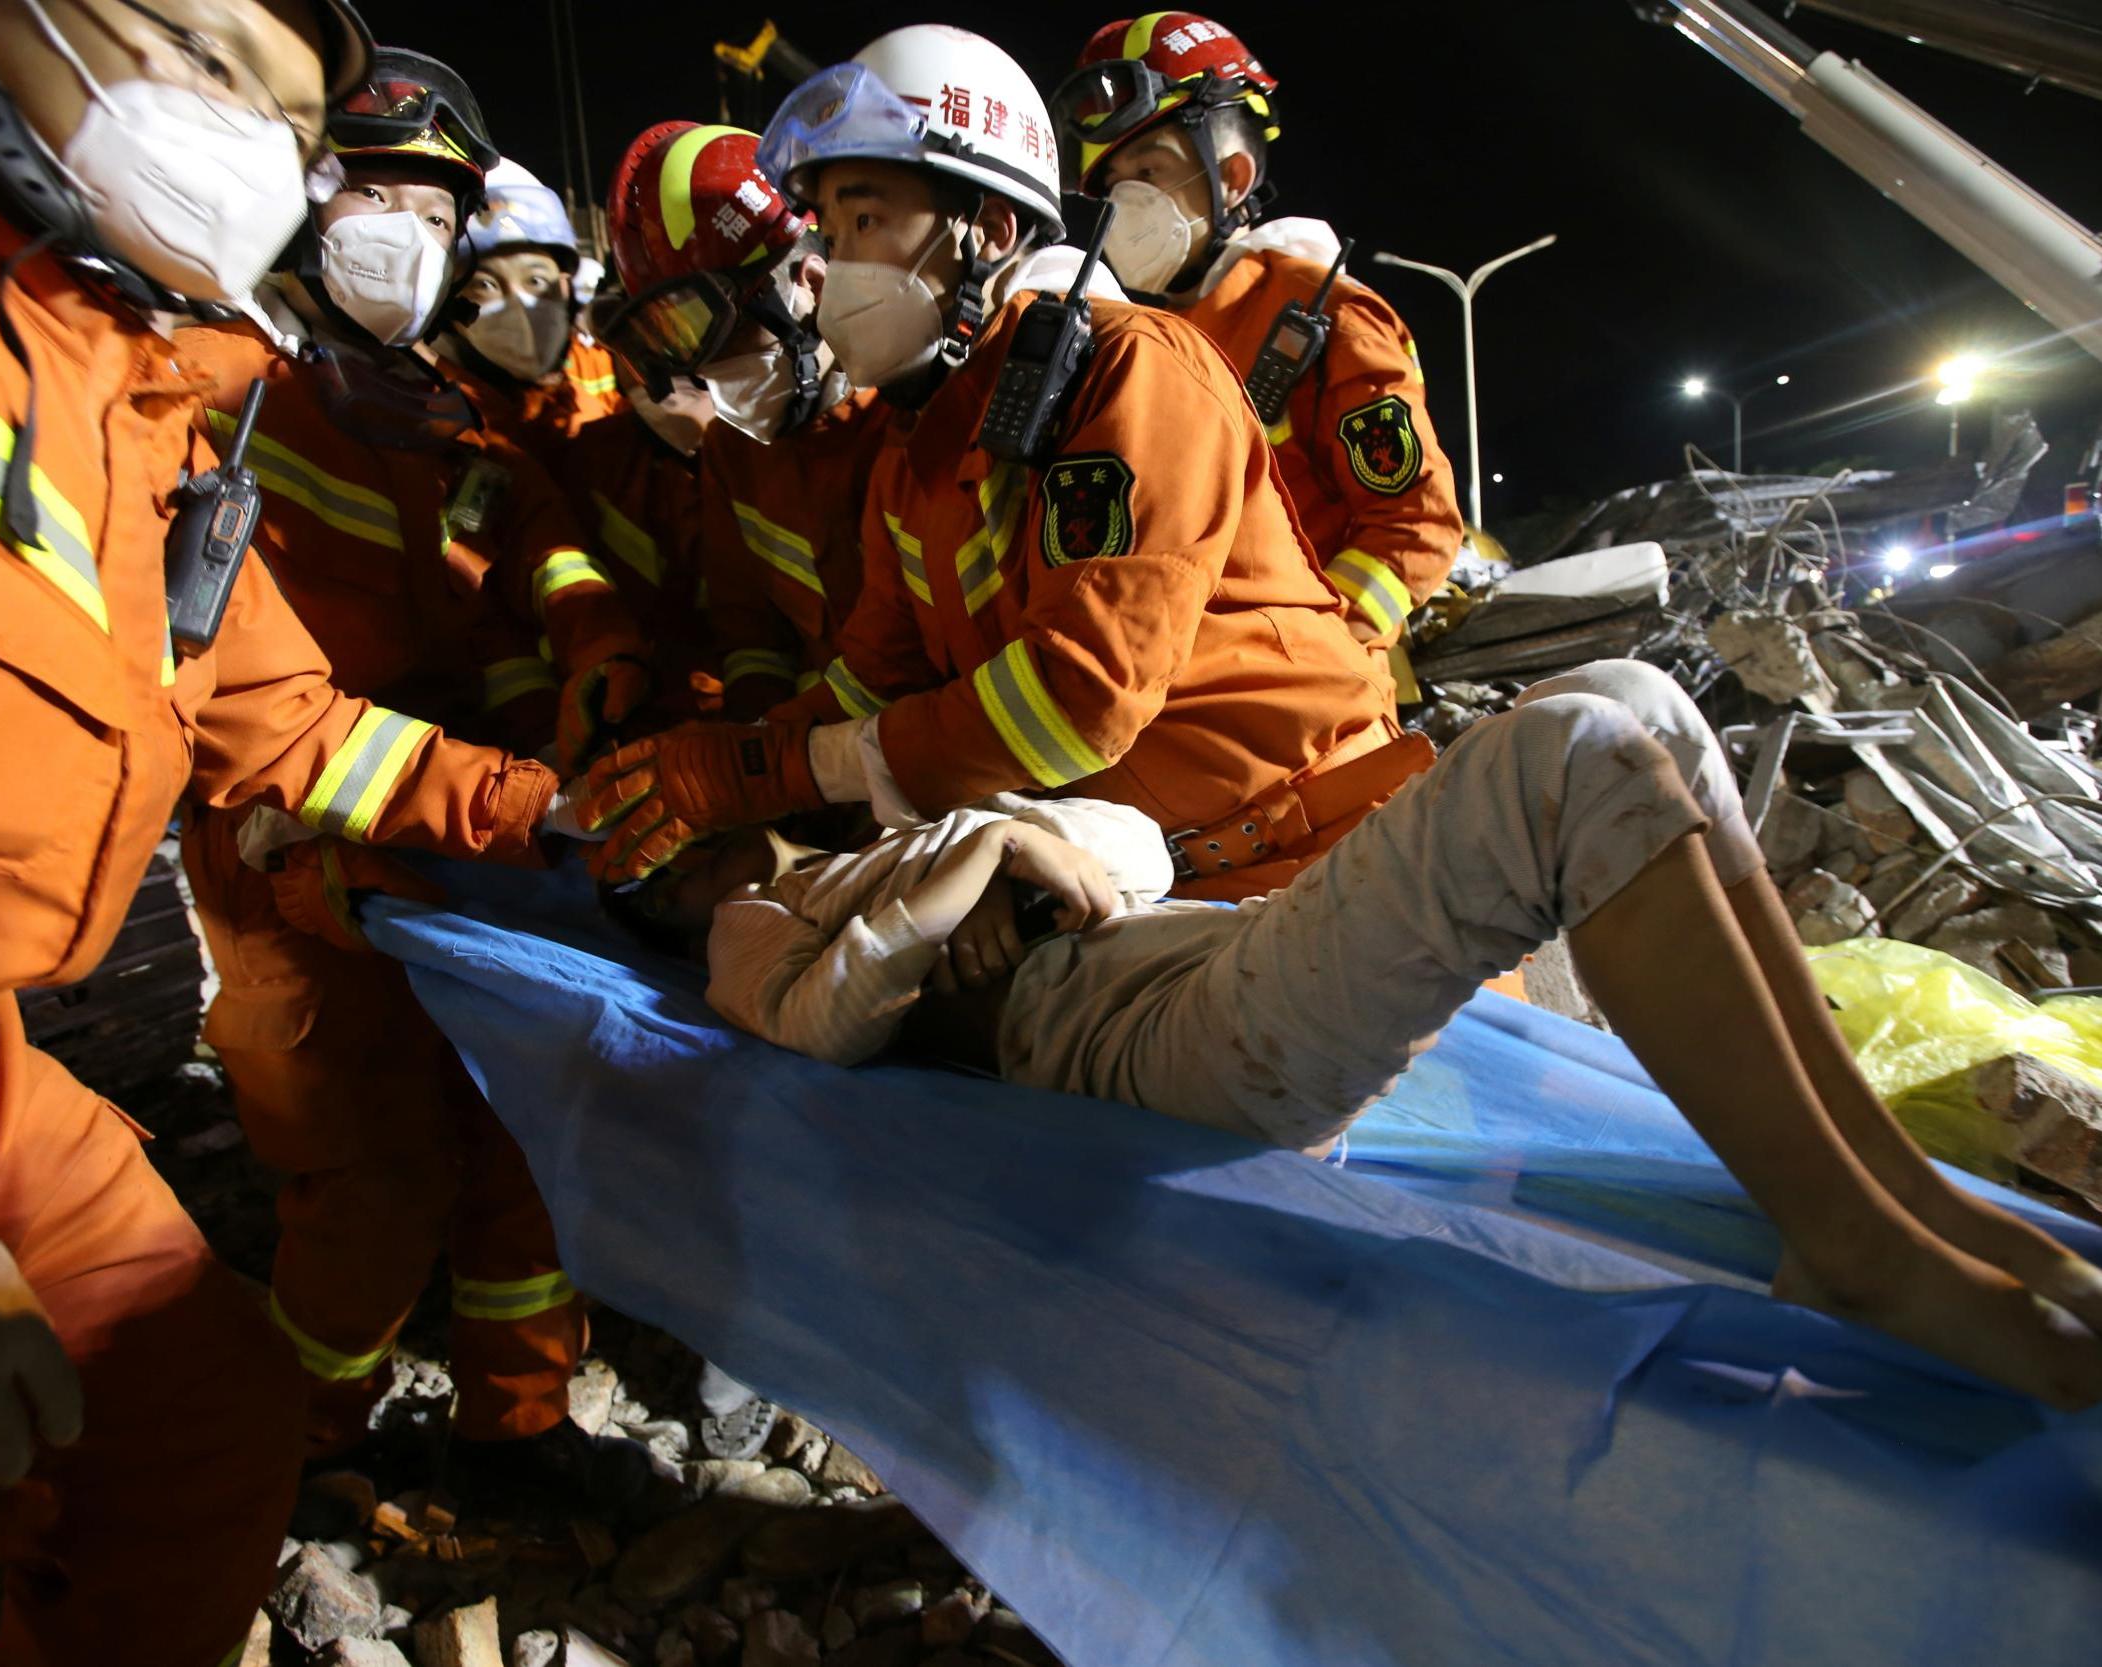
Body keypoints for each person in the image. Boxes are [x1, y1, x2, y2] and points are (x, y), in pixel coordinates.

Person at [0, 2, 596, 1662]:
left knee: (196, 1417)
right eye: (200, 57)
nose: (243, 144)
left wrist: (554, 812)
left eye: (283, 116)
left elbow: (292, 722)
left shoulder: (133, 396)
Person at [622, 660, 2102, 1413]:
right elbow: (822, 1025)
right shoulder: (754, 922)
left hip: (1189, 954)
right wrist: (963, 878)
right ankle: (1850, 1242)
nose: (697, 854)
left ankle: (1890, 1191)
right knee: (1565, 764)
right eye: (661, 859)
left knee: (1631, 696)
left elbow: (1135, 848)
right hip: (1150, 1058)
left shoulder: (855, 843)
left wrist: (1034, 856)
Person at [582, 26, 1431, 903]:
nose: (834, 271)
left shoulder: (1131, 373)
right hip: (1164, 883)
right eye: (830, 233)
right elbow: (877, 676)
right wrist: (729, 767)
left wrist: (780, 771)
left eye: (866, 219)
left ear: (988, 227)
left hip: (1341, 864)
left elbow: (1078, 698)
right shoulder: (917, 455)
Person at [169, 46, 642, 1489]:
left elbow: (534, 563)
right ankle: (292, 1449)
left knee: (522, 1130)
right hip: (285, 854)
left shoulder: (437, 420)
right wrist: (526, 802)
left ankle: (515, 1425)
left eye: (442, 214)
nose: (412, 238)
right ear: (306, 196)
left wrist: (593, 651)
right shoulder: (216, 392)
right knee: (370, 1178)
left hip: (441, 836)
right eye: (382, 194)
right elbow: (264, 714)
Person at [1048, 13, 1463, 677]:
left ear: (1233, 177)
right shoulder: (1138, 343)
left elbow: (1416, 525)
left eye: (1149, 172)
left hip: (1309, 719)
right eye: (1114, 185)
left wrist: (1312, 655)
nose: (1127, 205)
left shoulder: (1325, 316)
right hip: (1180, 699)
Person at [599, 119, 894, 722]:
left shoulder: (913, 420)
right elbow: (747, 625)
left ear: (810, 283)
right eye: (686, 341)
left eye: (727, 327)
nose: (716, 367)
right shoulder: (735, 450)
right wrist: (760, 737)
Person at [434, 155, 621, 474]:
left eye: (535, 280)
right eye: (486, 285)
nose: (519, 305)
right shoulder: (438, 430)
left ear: (565, 287)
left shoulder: (609, 370)